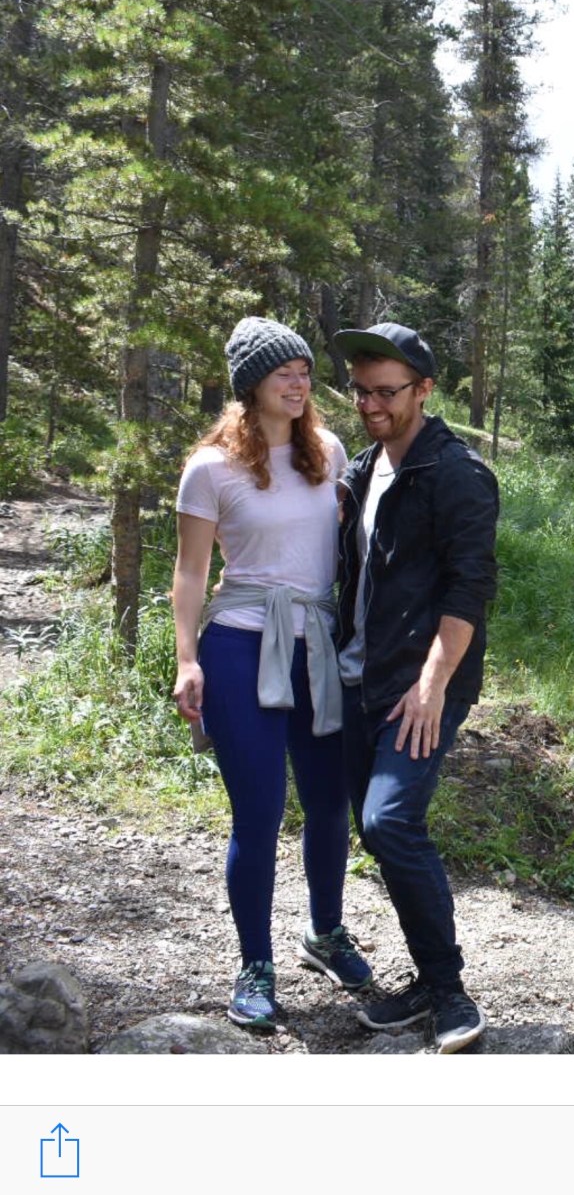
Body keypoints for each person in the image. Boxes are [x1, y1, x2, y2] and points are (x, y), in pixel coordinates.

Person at [172, 316, 371, 1031]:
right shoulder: (211, 468)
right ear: (250, 384)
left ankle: (324, 931)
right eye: (283, 372)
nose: (298, 382)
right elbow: (190, 573)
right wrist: (187, 659)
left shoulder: (329, 451)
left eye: (304, 371)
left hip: (317, 647)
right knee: (257, 814)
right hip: (240, 647)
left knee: (329, 803)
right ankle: (255, 963)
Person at [333, 321, 499, 1053]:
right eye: (361, 391)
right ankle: (428, 983)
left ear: (424, 389)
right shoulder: (362, 469)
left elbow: (470, 588)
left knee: (391, 820)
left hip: (422, 683)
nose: (371, 404)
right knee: (373, 826)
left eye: (386, 392)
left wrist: (433, 686)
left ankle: (449, 991)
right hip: (358, 679)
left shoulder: (457, 474)